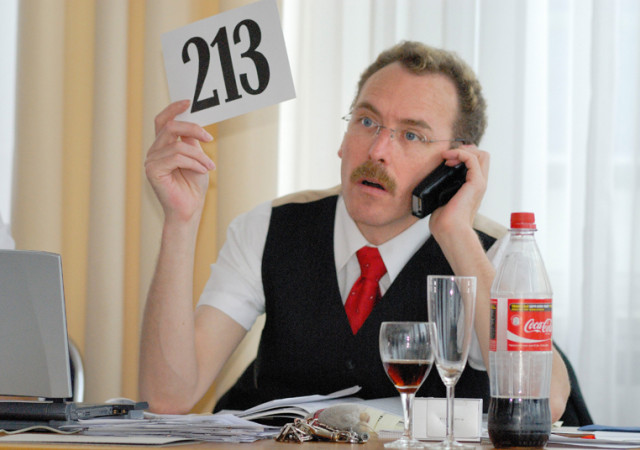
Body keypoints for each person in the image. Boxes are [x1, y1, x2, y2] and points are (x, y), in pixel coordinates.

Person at [139, 41, 570, 421]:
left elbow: (544, 401)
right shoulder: (270, 227)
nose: (377, 151)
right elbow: (167, 397)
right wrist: (180, 220)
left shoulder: (494, 253)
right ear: (344, 139)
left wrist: (456, 234)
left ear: (455, 165)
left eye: (411, 135)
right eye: (366, 122)